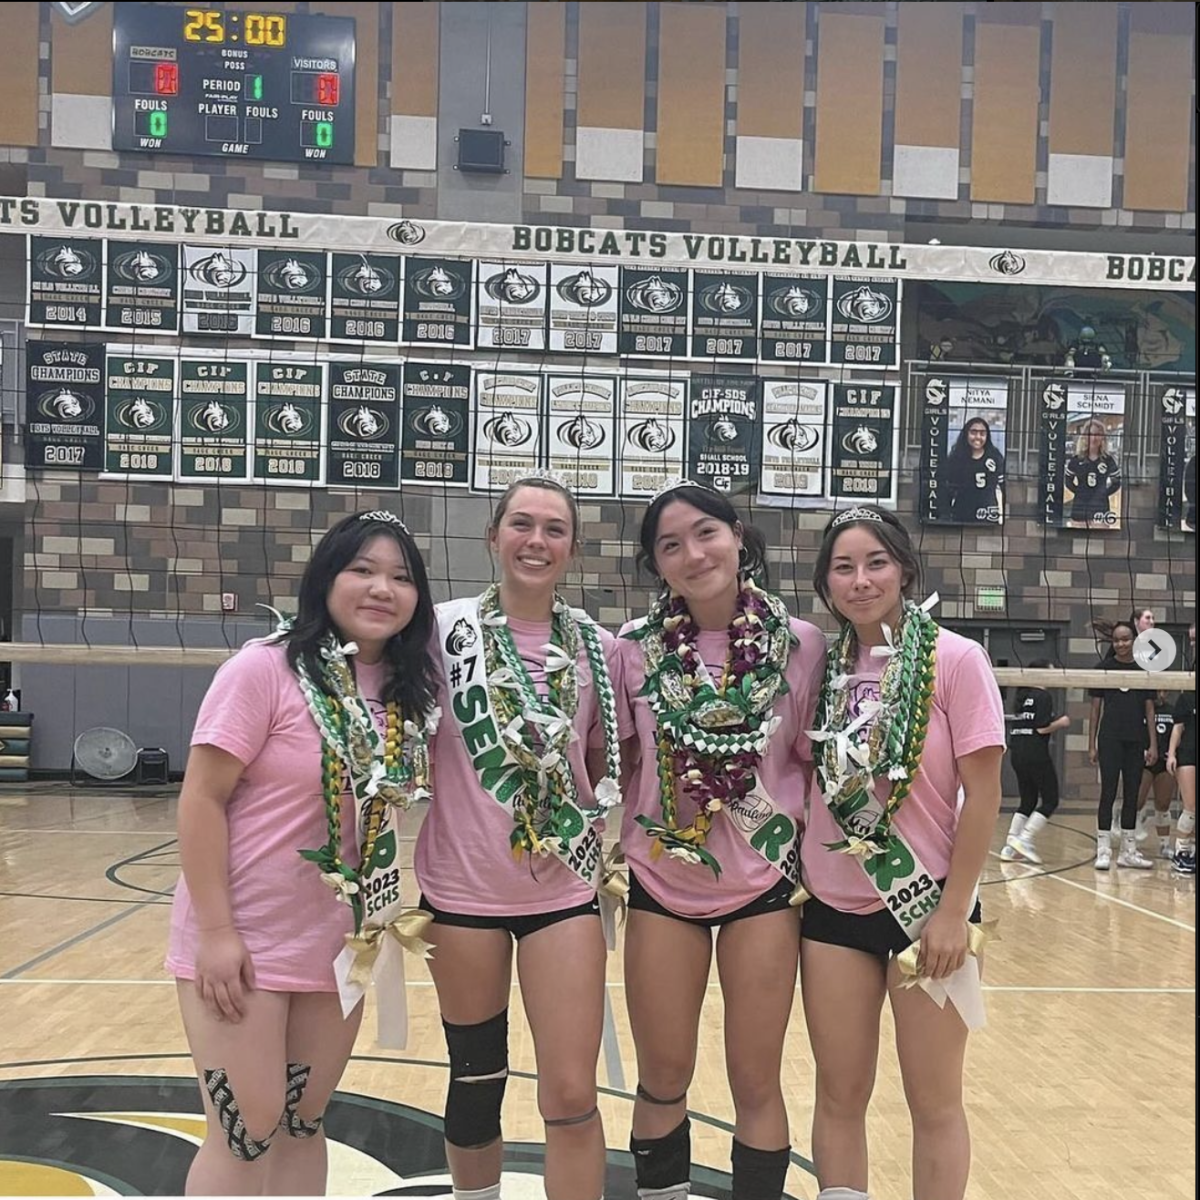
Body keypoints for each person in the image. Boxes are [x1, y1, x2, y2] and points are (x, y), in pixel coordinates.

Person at [166, 510, 439, 1195]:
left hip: (338, 945)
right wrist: (219, 933)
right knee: (246, 1124)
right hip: (245, 939)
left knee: (302, 1119)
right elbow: (200, 799)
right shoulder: (263, 670)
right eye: (363, 571)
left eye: (401, 578)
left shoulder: (410, 694)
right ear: (325, 580)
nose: (382, 589)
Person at [414, 473, 623, 1200]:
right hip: (462, 890)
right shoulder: (440, 631)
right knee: (476, 1083)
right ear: (493, 536)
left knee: (570, 1092)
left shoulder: (599, 649)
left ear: (572, 548)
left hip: (562, 892)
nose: (537, 541)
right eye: (522, 525)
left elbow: (599, 764)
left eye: (554, 529)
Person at [616, 480, 826, 1200]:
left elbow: (812, 761)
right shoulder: (634, 651)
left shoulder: (802, 645)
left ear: (739, 536)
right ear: (656, 565)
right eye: (669, 545)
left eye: (705, 532)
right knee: (664, 1072)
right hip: (662, 883)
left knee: (755, 1078)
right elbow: (615, 757)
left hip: (761, 886)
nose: (692, 553)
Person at [800, 505, 1005, 1200]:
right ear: (826, 585)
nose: (861, 580)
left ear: (905, 570)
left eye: (875, 563)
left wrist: (953, 914)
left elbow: (984, 796)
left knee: (934, 1099)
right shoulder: (818, 671)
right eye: (843, 567)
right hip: (832, 908)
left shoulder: (956, 659)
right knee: (839, 1093)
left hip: (930, 911)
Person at [1088, 621, 1158, 870]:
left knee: (1132, 794)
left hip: (1136, 740)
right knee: (1108, 792)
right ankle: (1103, 850)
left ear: (1134, 640)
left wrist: (1153, 744)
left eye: (1126, 639)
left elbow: (1150, 710)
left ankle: (1128, 851)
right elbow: (1095, 710)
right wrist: (1092, 744)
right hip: (1110, 740)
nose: (1121, 644)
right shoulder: (1103, 669)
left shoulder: (1144, 669)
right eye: (1117, 640)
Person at [1001, 659, 1069, 865]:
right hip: (1035, 752)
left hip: (1017, 753)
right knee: (1050, 800)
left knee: (1028, 800)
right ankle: (1025, 838)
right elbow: (1041, 728)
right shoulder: (1044, 696)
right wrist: (1061, 723)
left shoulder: (1022, 696)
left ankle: (1010, 844)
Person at [1167, 622, 1197, 875]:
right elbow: (1177, 727)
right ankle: (1181, 851)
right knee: (1191, 806)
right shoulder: (1188, 693)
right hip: (1188, 754)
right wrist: (1172, 754)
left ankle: (1191, 850)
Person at [941, 417, 1005, 525]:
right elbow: (948, 490)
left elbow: (1003, 487)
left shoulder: (995, 457)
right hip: (962, 513)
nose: (978, 437)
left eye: (982, 433)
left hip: (987, 513)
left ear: (987, 436)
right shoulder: (956, 458)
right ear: (966, 434)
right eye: (973, 432)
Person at [1065, 420, 1122, 528]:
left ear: (1103, 438)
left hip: (1100, 507)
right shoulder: (1076, 460)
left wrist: (1104, 493)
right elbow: (1068, 480)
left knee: (1101, 541)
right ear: (1085, 437)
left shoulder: (1108, 460)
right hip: (1080, 508)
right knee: (1078, 540)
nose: (1094, 438)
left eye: (1098, 434)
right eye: (1091, 434)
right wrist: (1080, 492)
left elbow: (1117, 482)